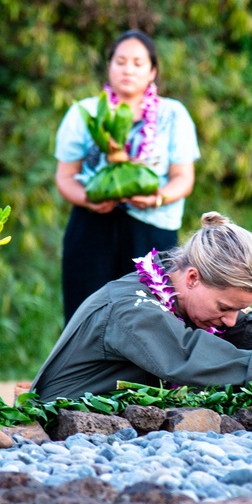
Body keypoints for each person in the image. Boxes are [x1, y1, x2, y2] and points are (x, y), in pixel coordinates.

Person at [31, 212, 252, 401]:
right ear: (191, 278)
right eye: (224, 305)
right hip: (63, 426)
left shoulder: (196, 304)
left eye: (240, 307)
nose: (230, 318)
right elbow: (189, 356)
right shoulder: (128, 307)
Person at [55, 30, 200, 323]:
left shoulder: (173, 114)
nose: (128, 69)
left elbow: (183, 177)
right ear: (109, 67)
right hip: (92, 226)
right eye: (120, 61)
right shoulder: (85, 112)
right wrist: (88, 200)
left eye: (137, 62)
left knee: (151, 316)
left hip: (153, 229)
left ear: (153, 70)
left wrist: (158, 197)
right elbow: (65, 177)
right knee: (87, 313)